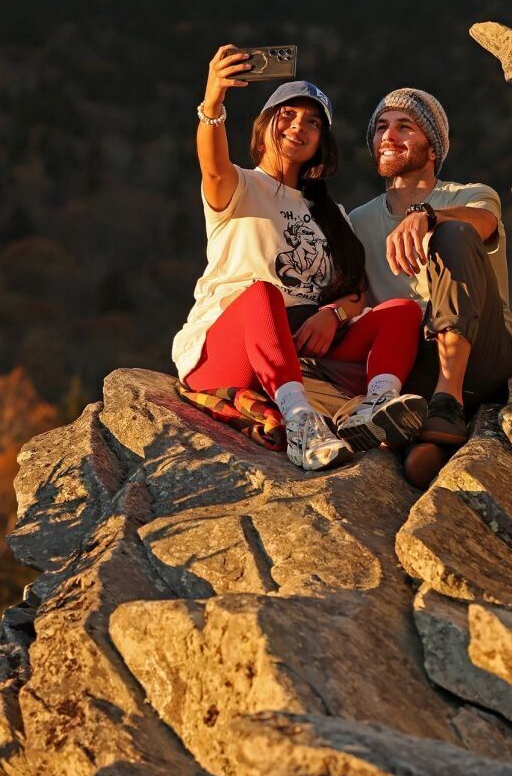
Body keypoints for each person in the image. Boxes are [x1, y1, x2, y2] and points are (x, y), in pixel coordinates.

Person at [172, 47, 427, 471]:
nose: (299, 127)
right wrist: (213, 101)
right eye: (286, 116)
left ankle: (376, 409)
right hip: (230, 349)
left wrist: (333, 316)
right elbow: (213, 167)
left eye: (312, 122)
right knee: (262, 294)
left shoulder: (332, 213)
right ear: (264, 127)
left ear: (321, 141)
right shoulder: (240, 186)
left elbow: (355, 293)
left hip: (304, 348)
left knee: (402, 312)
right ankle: (300, 423)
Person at [348, 88, 512, 482]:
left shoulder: (471, 196)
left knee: (455, 234)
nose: (388, 137)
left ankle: (447, 400)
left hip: (485, 354)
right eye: (381, 128)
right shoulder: (358, 222)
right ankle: (429, 442)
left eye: (404, 127)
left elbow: (484, 225)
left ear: (432, 149)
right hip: (412, 365)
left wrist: (428, 215)